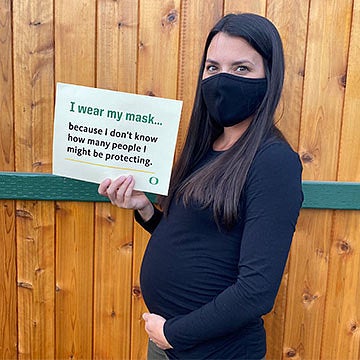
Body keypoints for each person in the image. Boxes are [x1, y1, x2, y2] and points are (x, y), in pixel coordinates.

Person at [98, 13, 303, 360]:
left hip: (213, 351)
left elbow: (256, 291)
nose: (222, 79)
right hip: (172, 343)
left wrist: (173, 333)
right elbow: (197, 239)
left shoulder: (273, 162)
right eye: (212, 67)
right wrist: (146, 210)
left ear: (270, 76)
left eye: (241, 69)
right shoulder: (205, 148)